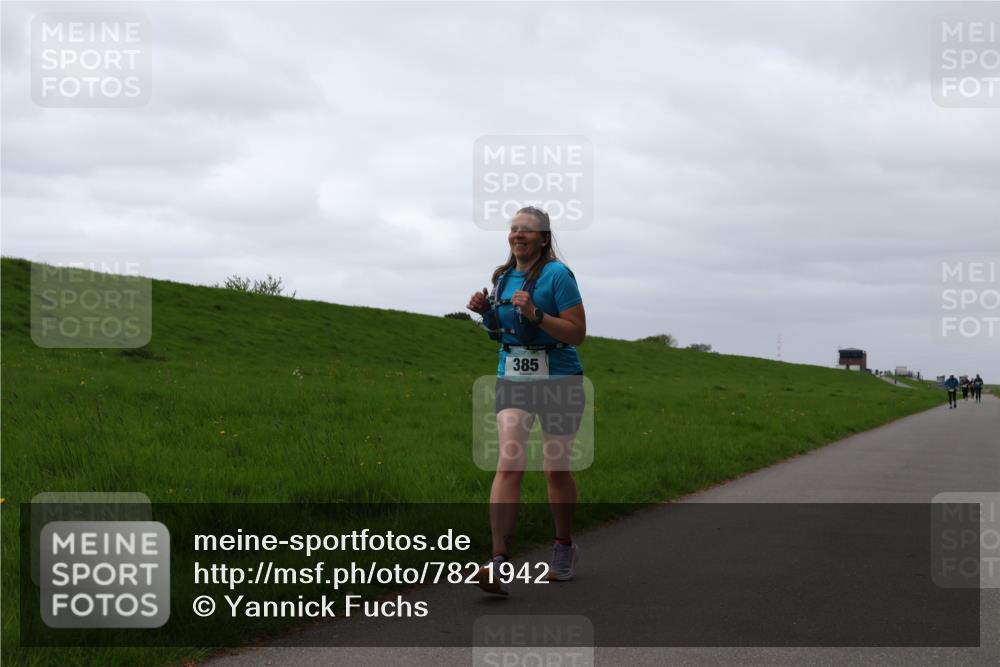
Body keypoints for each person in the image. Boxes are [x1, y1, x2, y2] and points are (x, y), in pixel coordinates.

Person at [466, 205, 587, 596]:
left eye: (527, 230)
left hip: (559, 378)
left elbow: (576, 332)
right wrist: (487, 314)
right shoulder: (501, 278)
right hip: (514, 377)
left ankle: (564, 547)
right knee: (509, 464)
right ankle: (498, 561)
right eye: (514, 228)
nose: (518, 234)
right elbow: (502, 331)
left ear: (544, 238)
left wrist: (537, 314)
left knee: (555, 470)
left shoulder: (558, 276)